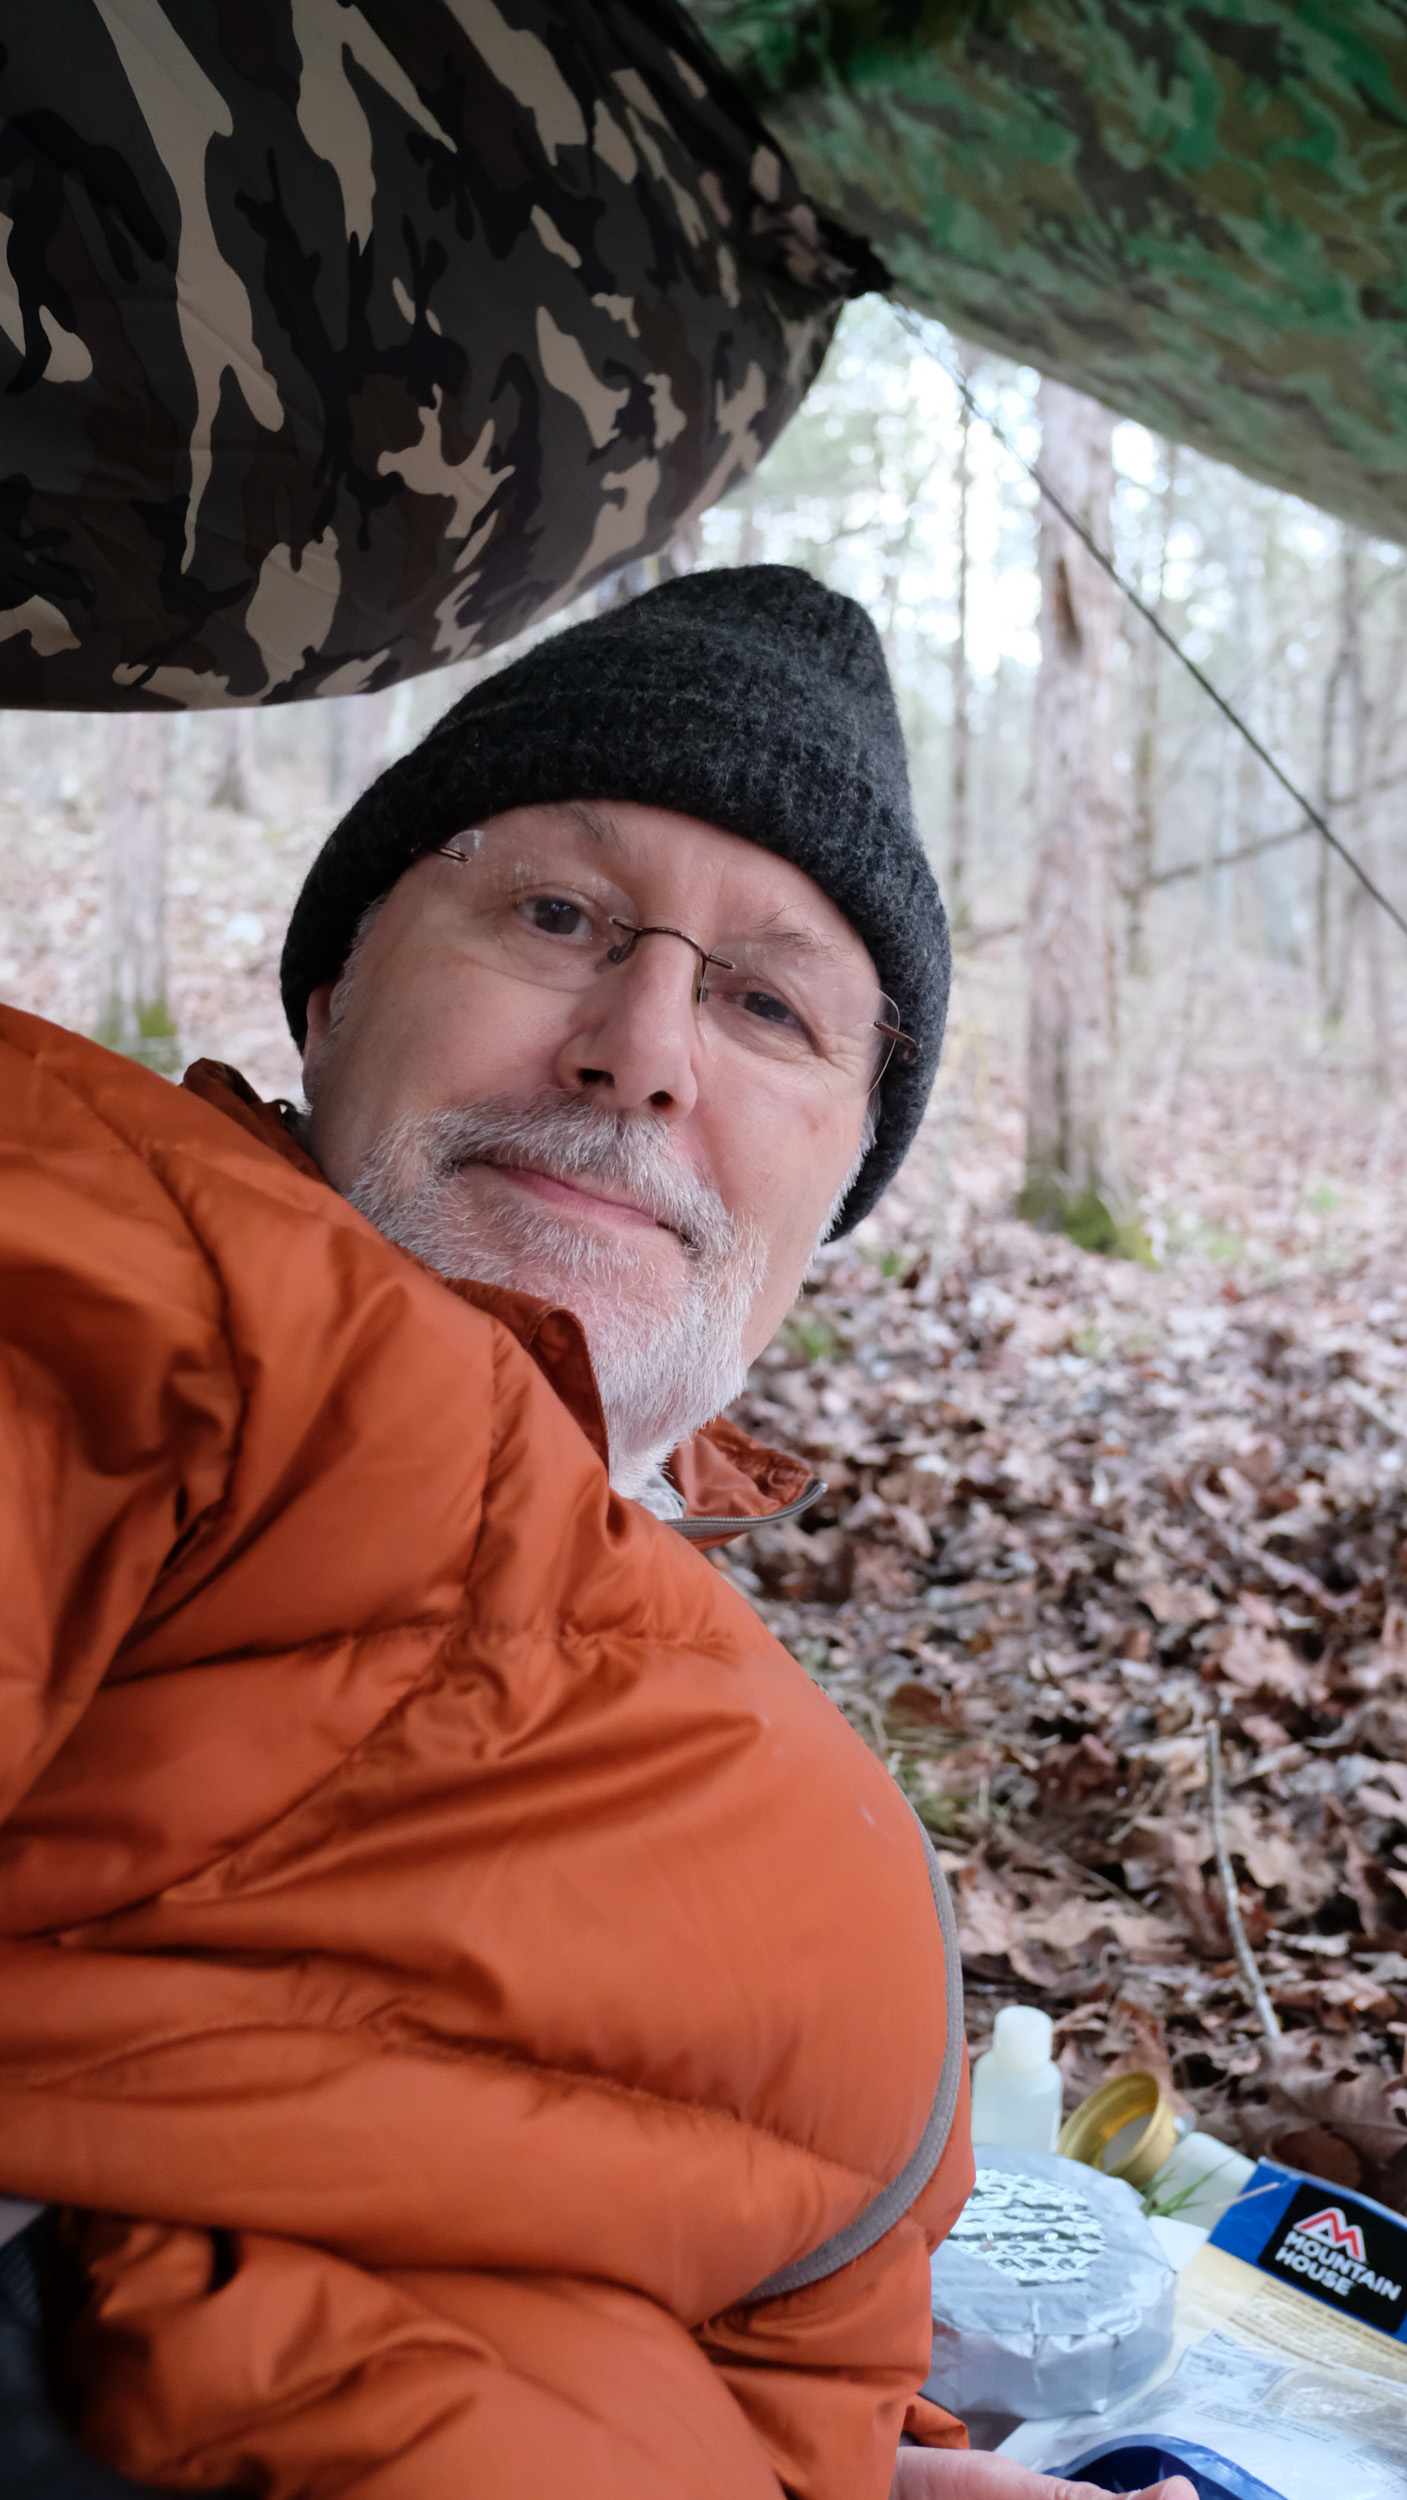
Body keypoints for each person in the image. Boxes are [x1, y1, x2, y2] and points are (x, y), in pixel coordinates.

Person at [0, 567, 1191, 2500]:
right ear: (333, 995)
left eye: (766, 1003)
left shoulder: (638, 1629)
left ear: (839, 1177)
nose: (642, 1046)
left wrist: (862, 2474)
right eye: (558, 915)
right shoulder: (125, 1271)